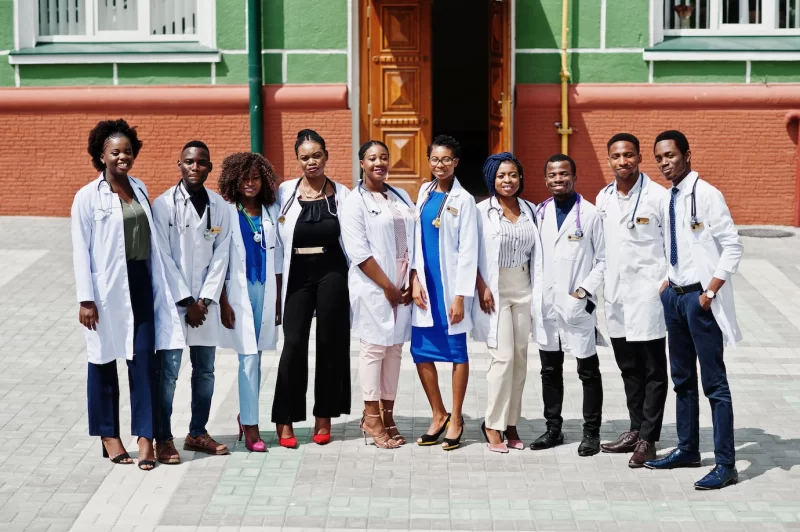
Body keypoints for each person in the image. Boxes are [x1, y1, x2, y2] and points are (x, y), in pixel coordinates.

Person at [71, 119, 183, 471]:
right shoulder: (87, 197)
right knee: (103, 361)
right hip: (105, 291)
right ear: (101, 155)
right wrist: (85, 299)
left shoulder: (139, 187)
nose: (123, 157)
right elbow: (80, 250)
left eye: (128, 152)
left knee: (144, 362)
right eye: (115, 152)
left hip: (141, 284)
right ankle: (108, 435)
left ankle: (146, 439)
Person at [644, 130, 743, 490]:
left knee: (714, 384)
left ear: (687, 155)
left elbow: (732, 245)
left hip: (700, 301)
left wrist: (711, 291)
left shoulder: (707, 194)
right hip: (675, 297)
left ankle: (727, 464)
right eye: (659, 158)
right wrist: (666, 284)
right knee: (681, 379)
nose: (664, 163)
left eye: (670, 155)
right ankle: (687, 449)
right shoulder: (669, 197)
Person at [151, 141, 232, 464]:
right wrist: (187, 301)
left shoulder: (219, 206)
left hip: (205, 305)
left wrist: (206, 299)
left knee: (205, 371)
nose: (195, 167)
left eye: (201, 163)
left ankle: (197, 432)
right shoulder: (163, 205)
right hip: (175, 304)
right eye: (188, 162)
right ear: (179, 165)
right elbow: (162, 257)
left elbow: (222, 253)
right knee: (168, 373)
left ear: (210, 167)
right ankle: (163, 438)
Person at [272, 129, 351, 447]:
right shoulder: (285, 192)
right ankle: (285, 419)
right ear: (298, 160)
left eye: (316, 155)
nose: (311, 161)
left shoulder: (343, 194)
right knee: (293, 345)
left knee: (331, 343)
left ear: (326, 156)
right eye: (304, 157)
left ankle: (324, 416)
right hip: (297, 274)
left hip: (332, 271)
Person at [596, 133, 670, 467]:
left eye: (628, 155)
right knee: (628, 368)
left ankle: (648, 439)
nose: (622, 161)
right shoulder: (604, 198)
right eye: (616, 156)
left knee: (653, 369)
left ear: (639, 157)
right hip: (615, 296)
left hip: (648, 295)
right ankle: (634, 428)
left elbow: (673, 245)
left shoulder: (659, 197)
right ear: (608, 159)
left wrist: (667, 283)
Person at [341, 140, 416, 449]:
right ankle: (371, 416)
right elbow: (358, 252)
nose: (379, 163)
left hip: (403, 287)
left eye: (384, 157)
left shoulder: (401, 195)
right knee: (373, 350)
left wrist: (412, 279)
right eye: (372, 158)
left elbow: (415, 240)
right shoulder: (353, 202)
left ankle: (388, 414)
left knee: (395, 350)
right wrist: (388, 287)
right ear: (362, 163)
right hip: (374, 287)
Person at [531, 154, 606, 457]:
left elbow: (603, 259)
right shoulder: (540, 213)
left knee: (587, 370)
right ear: (545, 179)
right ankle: (553, 429)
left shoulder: (589, 214)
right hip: (547, 305)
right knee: (549, 370)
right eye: (552, 175)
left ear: (575, 176)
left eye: (564, 174)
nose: (558, 179)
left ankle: (591, 433)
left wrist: (583, 290)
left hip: (576, 304)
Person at [410, 134, 478, 451]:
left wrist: (461, 295)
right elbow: (414, 239)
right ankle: (438, 414)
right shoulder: (424, 192)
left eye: (446, 159)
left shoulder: (464, 201)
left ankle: (458, 418)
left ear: (456, 163)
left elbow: (468, 251)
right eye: (435, 159)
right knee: (421, 352)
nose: (440, 165)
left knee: (456, 352)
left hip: (450, 287)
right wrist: (413, 277)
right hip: (425, 284)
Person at [473, 152, 543, 453]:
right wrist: (482, 287)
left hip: (524, 287)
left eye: (513, 175)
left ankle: (511, 422)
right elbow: (469, 252)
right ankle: (492, 423)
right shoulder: (480, 212)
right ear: (492, 178)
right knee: (502, 359)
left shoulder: (530, 209)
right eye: (501, 175)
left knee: (520, 359)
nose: (508, 180)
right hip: (495, 290)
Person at [217, 152, 283, 453]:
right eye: (244, 178)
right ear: (234, 180)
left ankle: (247, 415)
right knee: (249, 358)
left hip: (266, 291)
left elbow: (280, 258)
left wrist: (280, 299)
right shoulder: (226, 211)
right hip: (238, 294)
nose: (250, 183)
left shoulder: (272, 209)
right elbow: (216, 261)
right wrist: (222, 301)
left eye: (256, 177)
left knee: (256, 355)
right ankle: (252, 428)